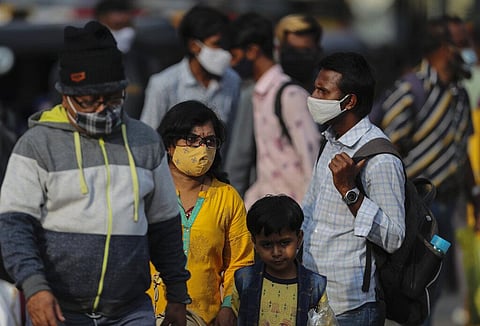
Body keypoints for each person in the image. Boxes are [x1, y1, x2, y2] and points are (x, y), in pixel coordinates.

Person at [0, 21, 191, 326]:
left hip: (130, 311)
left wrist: (178, 295)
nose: (103, 109)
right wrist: (34, 288)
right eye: (90, 100)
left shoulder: (145, 142)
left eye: (112, 97)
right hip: (58, 312)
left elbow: (165, 227)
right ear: (66, 96)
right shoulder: (36, 145)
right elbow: (13, 227)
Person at [372, 15, 480, 324]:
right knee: (410, 289)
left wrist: (474, 194)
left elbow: (462, 151)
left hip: (446, 207)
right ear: (445, 49)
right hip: (413, 212)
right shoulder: (410, 92)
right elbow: (384, 151)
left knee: (433, 288)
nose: (469, 51)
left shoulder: (458, 94)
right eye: (463, 44)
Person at [301, 52, 406, 325]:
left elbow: (394, 237)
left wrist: (350, 191)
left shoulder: (379, 158)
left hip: (351, 305)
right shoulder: (330, 141)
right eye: (315, 88)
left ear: (349, 101)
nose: (313, 97)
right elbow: (310, 212)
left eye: (323, 91)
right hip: (314, 295)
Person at [149, 100, 254, 325]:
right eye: (192, 139)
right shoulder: (149, 191)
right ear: (169, 145)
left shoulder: (227, 197)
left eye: (209, 141)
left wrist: (229, 306)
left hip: (206, 319)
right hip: (148, 315)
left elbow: (240, 262)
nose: (202, 148)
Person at [227, 12, 321, 209]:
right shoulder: (258, 94)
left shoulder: (289, 95)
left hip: (296, 217)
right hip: (271, 215)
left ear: (252, 51)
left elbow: (312, 164)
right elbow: (269, 166)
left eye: (235, 56)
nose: (232, 64)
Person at [232, 194, 338, 325]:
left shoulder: (313, 286)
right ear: (254, 242)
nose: (276, 252)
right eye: (267, 245)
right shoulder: (244, 279)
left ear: (299, 239)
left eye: (284, 243)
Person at [140, 5, 241, 134]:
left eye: (226, 45)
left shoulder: (232, 81)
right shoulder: (163, 84)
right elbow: (149, 136)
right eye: (216, 44)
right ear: (194, 46)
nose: (224, 52)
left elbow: (231, 135)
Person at [94, 0, 164, 119]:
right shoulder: (79, 62)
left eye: (126, 26)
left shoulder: (146, 63)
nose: (124, 33)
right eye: (116, 26)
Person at [274, 14, 323, 92]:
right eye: (292, 50)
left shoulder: (329, 90)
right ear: (279, 50)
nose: (298, 57)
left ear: (318, 51)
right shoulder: (264, 91)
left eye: (306, 51)